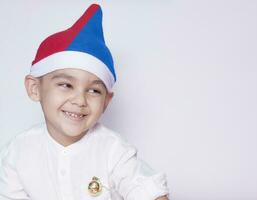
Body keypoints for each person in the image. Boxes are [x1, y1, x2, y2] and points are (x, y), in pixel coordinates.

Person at [0, 4, 169, 200]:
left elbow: (148, 191)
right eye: (66, 85)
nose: (80, 100)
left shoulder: (114, 150)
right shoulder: (18, 152)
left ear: (106, 101)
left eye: (94, 91)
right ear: (35, 88)